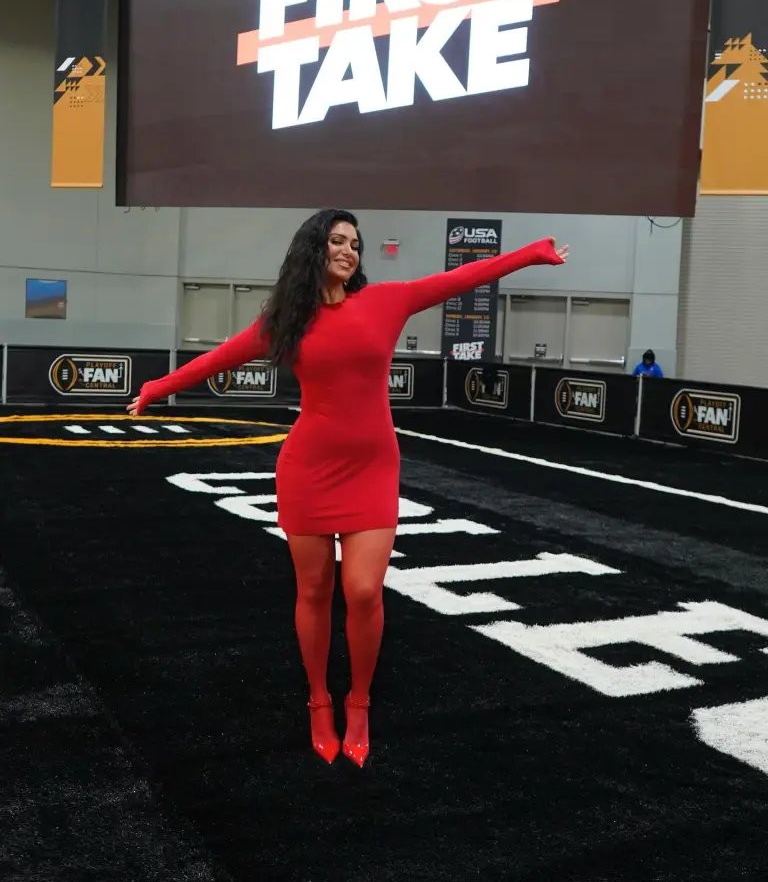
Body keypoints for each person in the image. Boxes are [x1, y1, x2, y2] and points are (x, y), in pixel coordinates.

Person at [127, 209, 568, 767]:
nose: (348, 251)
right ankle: (318, 699)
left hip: (373, 469)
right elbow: (219, 358)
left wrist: (530, 254)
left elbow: (461, 278)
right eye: (337, 240)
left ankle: (358, 700)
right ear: (314, 249)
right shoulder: (287, 321)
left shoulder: (386, 301)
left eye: (354, 244)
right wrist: (157, 387)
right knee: (314, 590)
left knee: (362, 591)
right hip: (308, 470)